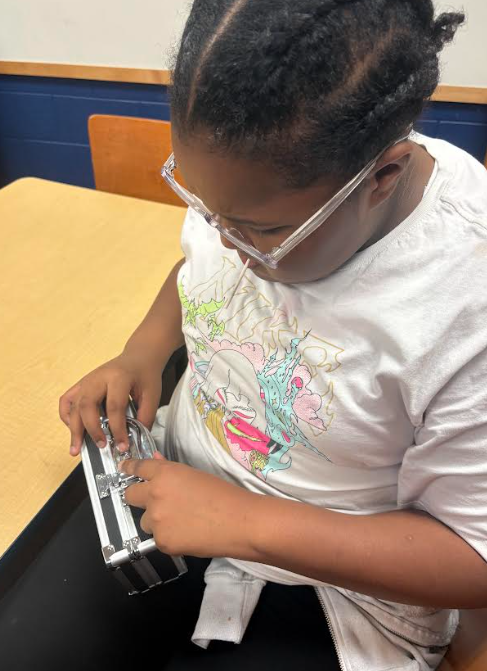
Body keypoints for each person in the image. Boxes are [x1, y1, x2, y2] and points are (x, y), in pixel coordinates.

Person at [60, 1, 487, 669]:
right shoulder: (251, 188)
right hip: (179, 491)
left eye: (255, 231)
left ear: (382, 176)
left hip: (338, 591)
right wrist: (144, 349)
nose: (223, 241)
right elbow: (196, 269)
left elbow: (472, 557)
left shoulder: (466, 297)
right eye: (202, 206)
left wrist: (243, 522)